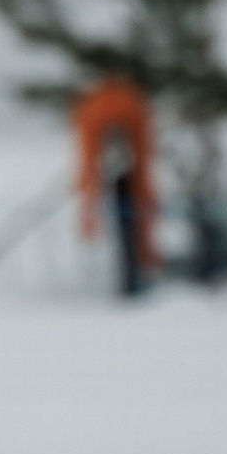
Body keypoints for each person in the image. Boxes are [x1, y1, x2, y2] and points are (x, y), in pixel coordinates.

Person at [73, 76, 158, 298]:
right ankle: (131, 278)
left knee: (129, 225)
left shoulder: (96, 105)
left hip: (127, 181)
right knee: (126, 226)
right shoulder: (127, 102)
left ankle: (133, 279)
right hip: (123, 179)